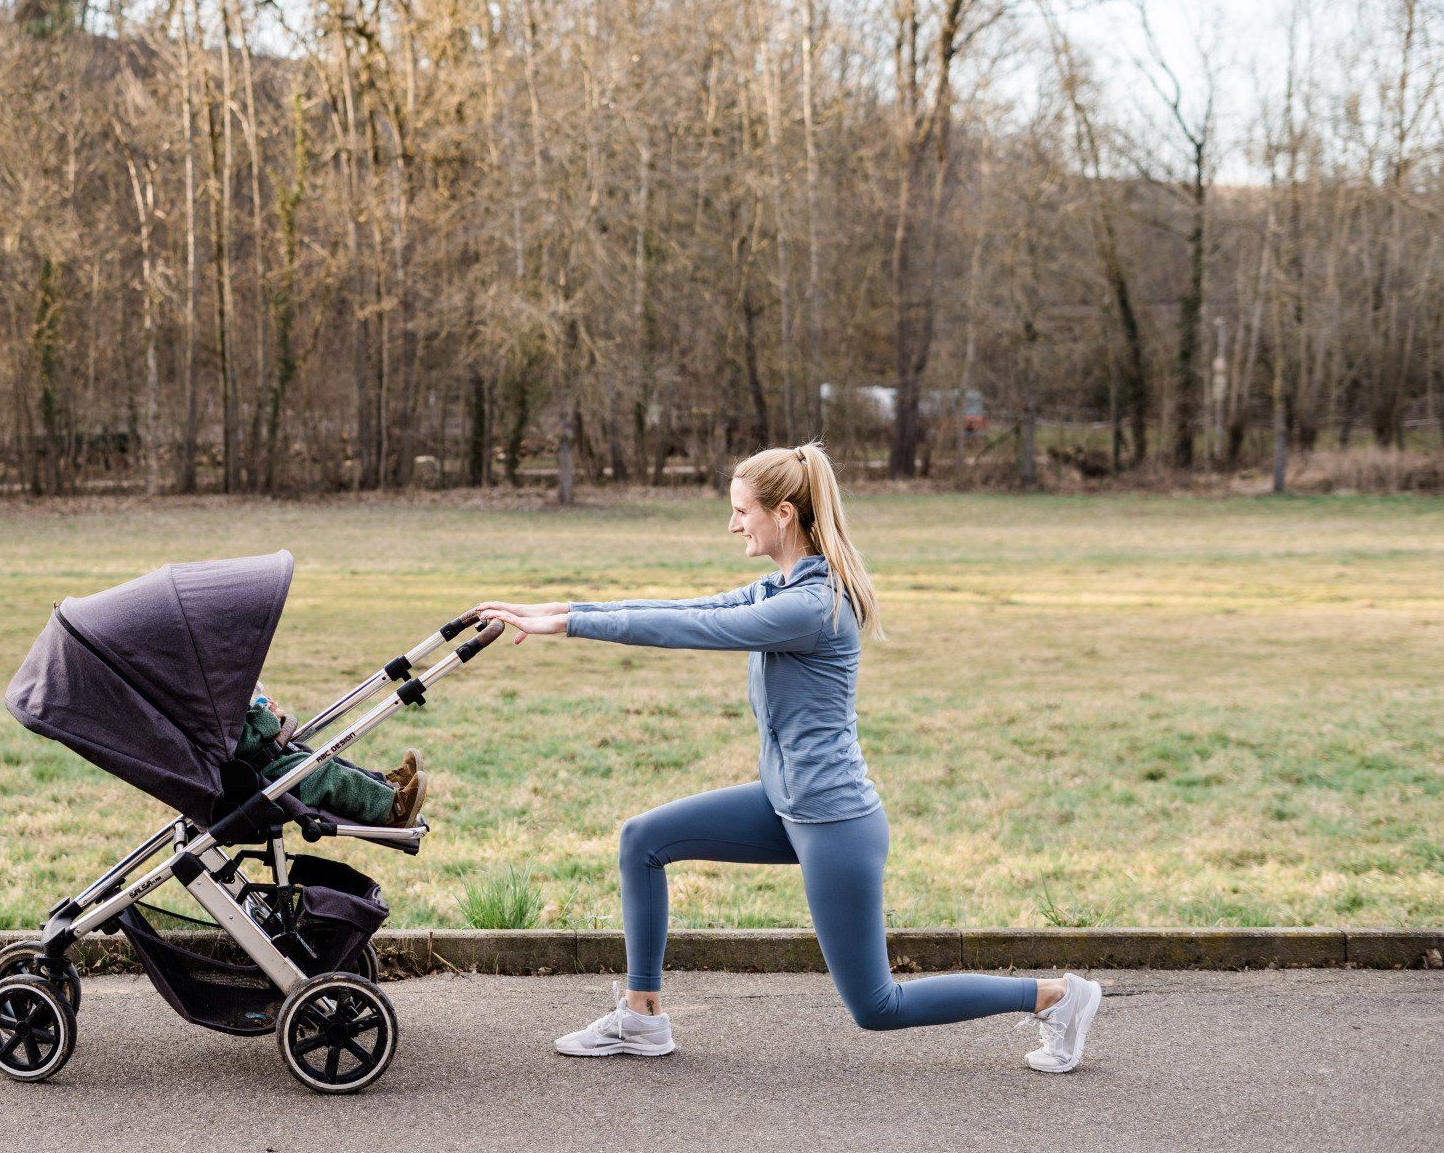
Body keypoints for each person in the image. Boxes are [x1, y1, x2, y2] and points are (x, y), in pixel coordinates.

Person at [471, 442, 1102, 1073]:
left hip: (832, 821)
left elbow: (695, 631)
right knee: (643, 839)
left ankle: (1056, 996)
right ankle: (641, 1018)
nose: (733, 524)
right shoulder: (784, 586)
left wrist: (569, 625)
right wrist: (553, 612)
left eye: (742, 511)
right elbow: (687, 608)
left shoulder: (810, 607)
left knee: (877, 1005)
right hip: (784, 801)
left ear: (783, 514)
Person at [238, 688, 428, 829]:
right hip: (253, 781)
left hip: (258, 768)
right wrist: (268, 716)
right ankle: (392, 811)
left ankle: (388, 785)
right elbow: (247, 741)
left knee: (320, 760)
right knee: (325, 775)